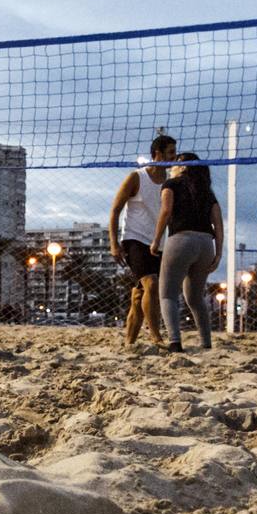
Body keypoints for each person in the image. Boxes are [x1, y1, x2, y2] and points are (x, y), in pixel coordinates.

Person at [150, 152, 222, 352]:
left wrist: (156, 241)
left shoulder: (171, 184)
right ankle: (206, 343)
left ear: (182, 166)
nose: (170, 166)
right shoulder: (207, 191)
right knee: (195, 298)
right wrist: (218, 254)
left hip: (181, 240)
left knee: (167, 295)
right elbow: (218, 223)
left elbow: (166, 211)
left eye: (174, 163)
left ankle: (175, 342)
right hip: (206, 244)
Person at [108, 133, 176, 346]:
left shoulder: (171, 183)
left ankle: (129, 342)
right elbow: (115, 211)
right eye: (171, 153)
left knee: (139, 295)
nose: (174, 157)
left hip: (158, 244)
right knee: (152, 284)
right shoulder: (137, 177)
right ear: (157, 154)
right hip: (134, 240)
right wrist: (113, 243)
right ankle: (156, 336)